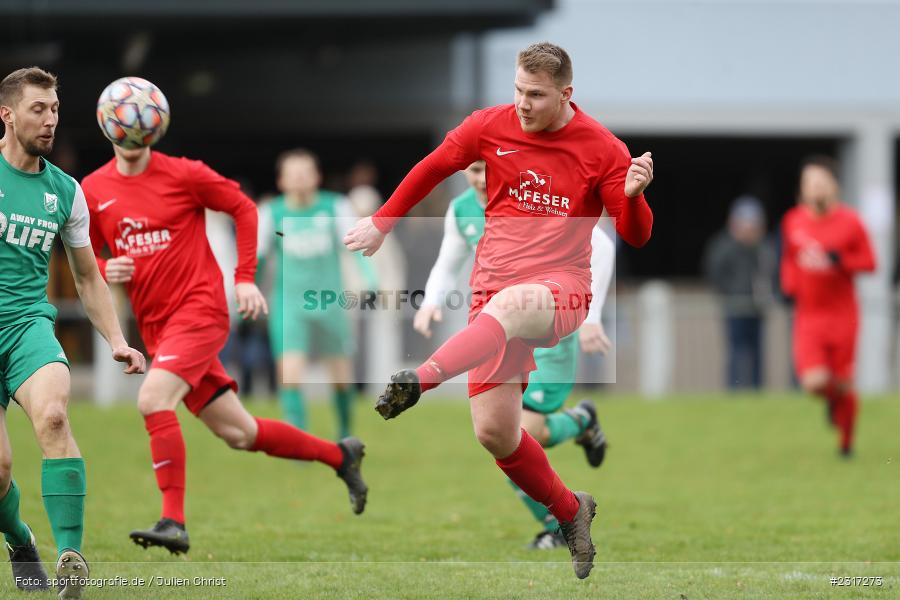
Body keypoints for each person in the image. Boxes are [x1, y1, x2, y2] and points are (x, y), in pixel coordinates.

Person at [344, 42, 653, 579]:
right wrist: (382, 221)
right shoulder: (489, 126)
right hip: (492, 295)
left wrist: (635, 195)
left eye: (536, 95)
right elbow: (433, 167)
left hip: (563, 289)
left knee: (512, 306)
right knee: (496, 433)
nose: (524, 104)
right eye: (518, 91)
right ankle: (571, 511)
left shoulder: (603, 148)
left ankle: (421, 379)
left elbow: (636, 234)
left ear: (565, 94)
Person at [81, 125, 368, 556]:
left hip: (199, 312)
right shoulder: (93, 188)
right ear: (109, 128)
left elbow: (244, 208)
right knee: (241, 433)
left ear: (154, 128)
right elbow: (91, 259)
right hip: (158, 329)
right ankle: (340, 456)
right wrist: (109, 269)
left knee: (153, 399)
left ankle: (173, 520)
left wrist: (245, 279)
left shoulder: (185, 174)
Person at [413, 159, 614, 550]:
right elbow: (448, 261)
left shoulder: (534, 196)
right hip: (499, 335)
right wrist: (430, 301)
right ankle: (559, 523)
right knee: (502, 436)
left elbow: (602, 245)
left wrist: (591, 316)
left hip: (547, 329)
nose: (482, 179)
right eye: (472, 171)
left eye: (487, 169)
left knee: (528, 432)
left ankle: (581, 423)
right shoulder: (461, 211)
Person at [0, 67, 146, 597]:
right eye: (38, 109)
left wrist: (118, 340)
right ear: (7, 114)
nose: (50, 120)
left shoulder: (65, 191)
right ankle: (20, 540)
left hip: (27, 327)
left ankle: (70, 557)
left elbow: (87, 275)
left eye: (55, 109)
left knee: (55, 416)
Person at [257, 149, 376, 439]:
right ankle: (299, 439)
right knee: (291, 373)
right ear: (281, 180)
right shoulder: (271, 214)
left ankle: (345, 433)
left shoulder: (334, 206)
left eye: (305, 172)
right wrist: (249, 291)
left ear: (317, 177)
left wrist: (370, 279)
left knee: (341, 377)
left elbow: (356, 247)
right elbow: (258, 259)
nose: (299, 178)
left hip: (330, 303)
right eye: (292, 173)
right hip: (290, 304)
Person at [780, 156, 875, 457]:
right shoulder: (793, 220)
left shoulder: (851, 222)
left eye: (821, 182)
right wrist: (788, 285)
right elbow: (789, 259)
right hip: (809, 315)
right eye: (810, 183)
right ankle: (835, 400)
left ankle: (846, 444)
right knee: (813, 382)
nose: (815, 188)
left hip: (843, 315)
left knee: (845, 382)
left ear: (834, 186)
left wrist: (842, 261)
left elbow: (870, 263)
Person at [703, 196, 775, 390]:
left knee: (757, 351)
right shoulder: (723, 246)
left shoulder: (763, 248)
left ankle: (757, 389)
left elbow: (771, 272)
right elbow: (715, 273)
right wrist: (729, 294)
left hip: (756, 307)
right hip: (734, 307)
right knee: (736, 350)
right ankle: (734, 389)